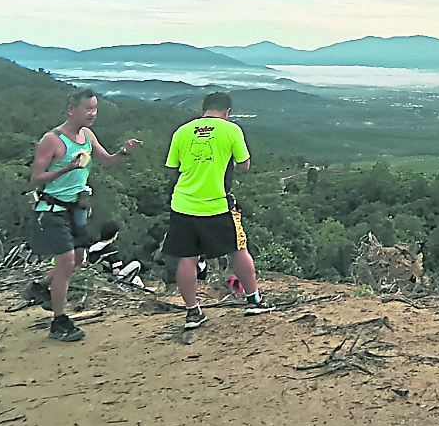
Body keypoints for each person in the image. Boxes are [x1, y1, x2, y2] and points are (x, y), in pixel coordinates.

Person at [29, 88, 142, 342]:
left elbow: (108, 161)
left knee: (79, 259)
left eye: (95, 109)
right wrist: (67, 168)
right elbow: (36, 178)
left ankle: (41, 287)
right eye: (88, 109)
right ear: (72, 109)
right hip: (52, 208)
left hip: (77, 209)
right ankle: (59, 321)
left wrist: (124, 152)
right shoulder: (53, 140)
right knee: (67, 262)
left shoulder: (87, 135)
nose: (93, 114)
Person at [162, 92, 273, 330]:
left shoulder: (182, 131)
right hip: (217, 203)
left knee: (187, 257)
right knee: (237, 249)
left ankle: (193, 312)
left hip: (182, 204)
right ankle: (253, 299)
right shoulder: (231, 130)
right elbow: (244, 165)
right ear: (227, 112)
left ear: (203, 110)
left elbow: (172, 169)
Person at [87, 221, 144, 288]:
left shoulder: (92, 247)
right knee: (136, 264)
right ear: (115, 234)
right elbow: (116, 271)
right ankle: (124, 286)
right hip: (110, 280)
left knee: (136, 279)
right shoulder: (113, 249)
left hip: (95, 275)